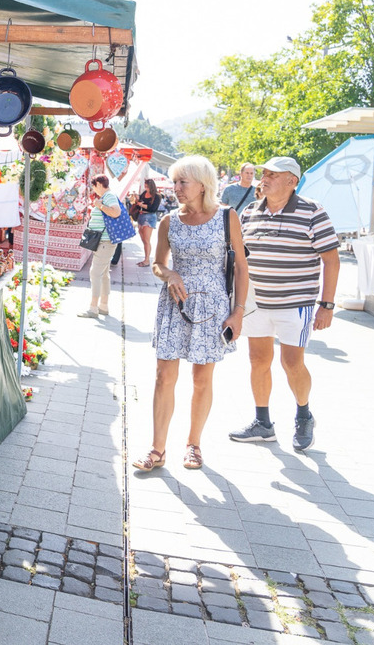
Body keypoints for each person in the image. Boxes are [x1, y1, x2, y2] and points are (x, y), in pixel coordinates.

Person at [133, 156, 248, 472]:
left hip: (212, 308)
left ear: (203, 184)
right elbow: (158, 263)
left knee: (201, 378)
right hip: (175, 304)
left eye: (183, 182)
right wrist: (169, 274)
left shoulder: (227, 217)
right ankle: (157, 450)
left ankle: (193, 445)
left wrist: (238, 313)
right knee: (163, 376)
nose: (177, 188)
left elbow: (240, 267)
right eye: (175, 181)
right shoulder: (169, 220)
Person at [229, 156, 339, 452]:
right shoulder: (251, 210)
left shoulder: (313, 211)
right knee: (258, 361)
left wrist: (327, 305)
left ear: (292, 180)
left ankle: (304, 414)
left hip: (296, 303)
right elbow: (239, 258)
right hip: (255, 302)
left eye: (272, 175)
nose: (263, 179)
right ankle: (262, 423)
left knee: (291, 363)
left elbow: (331, 260)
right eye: (263, 173)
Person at [78, 174, 122, 319]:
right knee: (103, 274)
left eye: (94, 186)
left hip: (105, 242)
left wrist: (100, 206)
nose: (94, 190)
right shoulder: (108, 196)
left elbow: (116, 212)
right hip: (104, 242)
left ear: (98, 184)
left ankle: (93, 308)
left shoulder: (108, 196)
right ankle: (103, 306)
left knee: (95, 273)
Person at [132, 178, 163, 267]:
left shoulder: (156, 196)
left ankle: (147, 260)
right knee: (143, 239)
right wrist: (137, 200)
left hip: (149, 217)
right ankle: (146, 259)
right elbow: (139, 204)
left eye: (147, 186)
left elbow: (152, 208)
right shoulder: (144, 194)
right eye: (145, 186)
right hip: (141, 216)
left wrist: (141, 204)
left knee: (146, 240)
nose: (146, 188)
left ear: (151, 186)